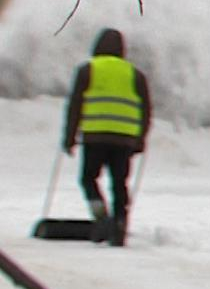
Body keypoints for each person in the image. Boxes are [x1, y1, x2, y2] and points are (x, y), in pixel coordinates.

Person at [61, 28, 152, 247]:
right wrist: (140, 139)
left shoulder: (87, 70)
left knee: (88, 178)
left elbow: (75, 106)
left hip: (95, 136)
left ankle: (102, 218)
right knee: (119, 183)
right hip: (124, 139)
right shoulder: (135, 74)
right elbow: (145, 109)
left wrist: (69, 137)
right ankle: (120, 225)